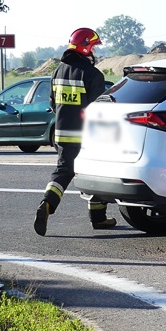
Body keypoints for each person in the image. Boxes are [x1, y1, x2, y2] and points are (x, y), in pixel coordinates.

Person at [34, 28, 116, 235]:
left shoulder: (57, 71)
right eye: (93, 47)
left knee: (63, 171)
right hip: (87, 136)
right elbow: (98, 109)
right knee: (96, 171)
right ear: (86, 47)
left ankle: (48, 203)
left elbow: (53, 104)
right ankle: (97, 217)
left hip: (61, 134)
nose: (94, 52)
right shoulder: (92, 74)